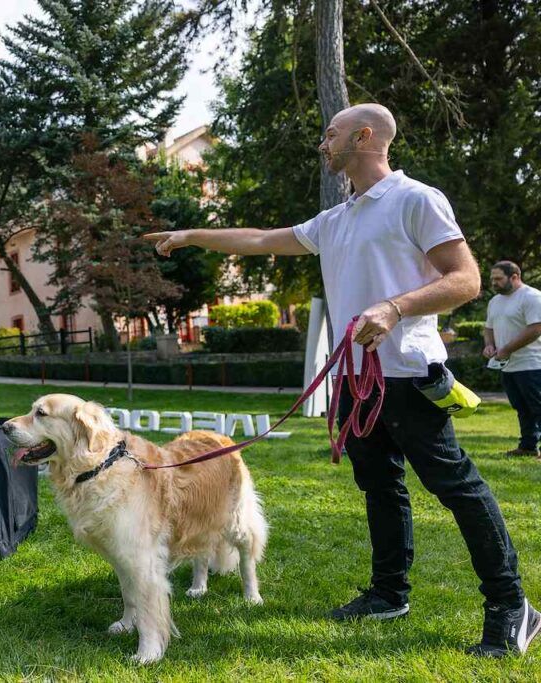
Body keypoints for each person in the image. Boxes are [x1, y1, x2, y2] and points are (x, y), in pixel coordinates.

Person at [143, 103, 537, 657]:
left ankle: (511, 606)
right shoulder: (336, 219)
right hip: (355, 383)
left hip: (408, 374)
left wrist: (395, 308)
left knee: (458, 489)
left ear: (365, 136)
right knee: (379, 488)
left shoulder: (415, 199)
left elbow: (466, 279)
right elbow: (258, 240)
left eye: (331, 134)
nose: (323, 143)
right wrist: (190, 235)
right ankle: (388, 594)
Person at [484, 260, 541, 457]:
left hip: (533, 364)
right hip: (508, 366)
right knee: (522, 408)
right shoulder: (495, 302)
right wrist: (489, 345)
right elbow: (488, 328)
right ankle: (528, 447)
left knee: (538, 407)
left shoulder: (532, 297)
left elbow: (535, 329)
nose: (494, 283)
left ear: (514, 277)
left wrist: (507, 348)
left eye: (498, 278)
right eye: (492, 279)